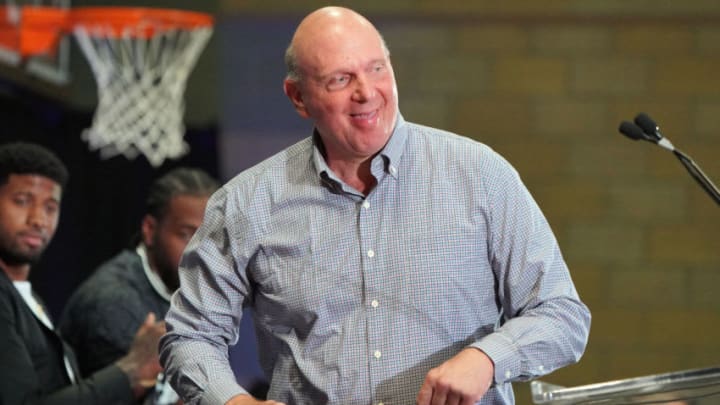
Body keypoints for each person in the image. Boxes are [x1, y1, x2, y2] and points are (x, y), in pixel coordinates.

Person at [159, 6, 592, 405]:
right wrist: (233, 403)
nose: (366, 92)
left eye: (376, 69)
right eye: (340, 80)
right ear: (297, 96)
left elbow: (561, 316)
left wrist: (488, 358)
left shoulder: (481, 176)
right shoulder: (246, 202)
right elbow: (190, 336)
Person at [0, 141, 165, 405]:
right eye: (22, 201)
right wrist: (131, 369)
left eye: (50, 207)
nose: (38, 219)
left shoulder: (28, 296)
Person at [59, 167, 219, 404]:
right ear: (150, 230)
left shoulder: (186, 290)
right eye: (187, 235)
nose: (201, 251)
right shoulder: (113, 302)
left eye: (211, 237)